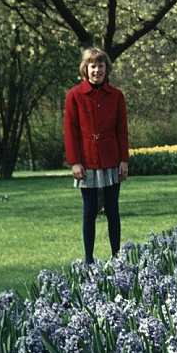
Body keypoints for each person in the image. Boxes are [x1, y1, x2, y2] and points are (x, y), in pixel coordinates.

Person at [64, 47, 129, 264]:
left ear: (106, 69)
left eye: (101, 66)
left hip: (111, 158)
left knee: (112, 209)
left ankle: (117, 257)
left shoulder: (116, 96)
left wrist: (124, 160)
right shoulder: (74, 96)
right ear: (86, 68)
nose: (97, 71)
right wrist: (75, 162)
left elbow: (122, 130)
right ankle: (88, 260)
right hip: (86, 160)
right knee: (89, 210)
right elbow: (70, 131)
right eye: (93, 66)